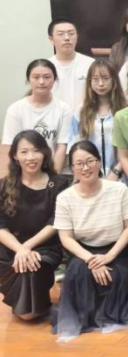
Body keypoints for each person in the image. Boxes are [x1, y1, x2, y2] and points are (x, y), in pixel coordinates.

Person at [52, 141, 128, 342]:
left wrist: (109, 256)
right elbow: (66, 237)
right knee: (80, 275)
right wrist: (92, 260)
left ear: (99, 162)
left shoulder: (118, 189)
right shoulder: (64, 197)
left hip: (119, 249)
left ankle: (110, 315)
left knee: (119, 276)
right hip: (84, 251)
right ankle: (90, 317)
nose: (85, 167)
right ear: (72, 168)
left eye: (90, 161)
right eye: (79, 163)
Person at [0, 131, 70, 321]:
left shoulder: (59, 185)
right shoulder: (3, 186)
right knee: (26, 314)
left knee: (30, 312)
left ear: (45, 153)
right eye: (24, 152)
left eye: (36, 151)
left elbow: (56, 221)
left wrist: (27, 247)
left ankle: (36, 302)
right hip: (11, 249)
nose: (31, 157)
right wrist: (20, 249)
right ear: (15, 156)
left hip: (45, 248)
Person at [2, 60, 72, 171]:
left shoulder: (64, 109)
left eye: (47, 77)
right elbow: (11, 147)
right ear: (28, 79)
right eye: (36, 77)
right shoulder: (15, 109)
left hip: (52, 170)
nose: (41, 82)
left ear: (54, 79)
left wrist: (53, 177)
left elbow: (61, 146)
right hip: (23, 172)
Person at [69, 59, 127, 181]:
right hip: (89, 176)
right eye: (95, 79)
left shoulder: (125, 109)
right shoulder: (82, 111)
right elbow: (75, 145)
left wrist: (116, 171)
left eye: (106, 78)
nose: (100, 84)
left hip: (120, 177)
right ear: (89, 81)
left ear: (114, 80)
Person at [47, 18, 95, 111]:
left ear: (77, 37)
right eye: (60, 34)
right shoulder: (46, 67)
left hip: (85, 116)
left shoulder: (91, 64)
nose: (67, 38)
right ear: (51, 39)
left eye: (71, 33)